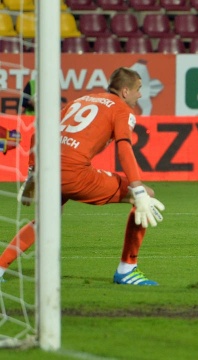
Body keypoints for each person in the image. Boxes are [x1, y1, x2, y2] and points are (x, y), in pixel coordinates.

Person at [0, 67, 165, 285]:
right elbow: (124, 148)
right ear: (125, 91)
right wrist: (138, 188)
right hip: (73, 173)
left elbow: (40, 129)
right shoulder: (122, 110)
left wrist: (33, 169)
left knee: (46, 220)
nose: (140, 95)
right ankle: (127, 269)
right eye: (138, 89)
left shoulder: (82, 100)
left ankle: (1, 267)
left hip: (48, 168)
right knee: (144, 196)